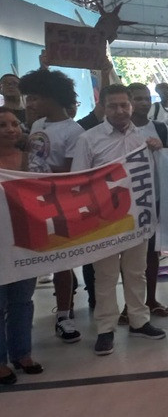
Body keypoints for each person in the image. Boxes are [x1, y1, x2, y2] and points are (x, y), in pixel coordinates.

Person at [71, 85, 167, 355]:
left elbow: (156, 174)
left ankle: (139, 321)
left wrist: (158, 150)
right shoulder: (88, 139)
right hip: (104, 220)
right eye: (113, 106)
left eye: (124, 105)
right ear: (103, 106)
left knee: (136, 272)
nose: (120, 111)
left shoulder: (144, 137)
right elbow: (77, 180)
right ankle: (105, 329)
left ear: (131, 106)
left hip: (138, 216)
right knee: (106, 275)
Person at [17, 67, 84, 344]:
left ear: (52, 97)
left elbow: (70, 173)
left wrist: (39, 175)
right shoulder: (37, 125)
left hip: (58, 204)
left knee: (62, 262)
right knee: (30, 257)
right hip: (30, 201)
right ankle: (21, 311)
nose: (29, 103)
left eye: (34, 97)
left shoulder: (75, 131)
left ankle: (64, 314)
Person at [0, 107, 43, 385]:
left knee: (22, 301)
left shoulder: (32, 161)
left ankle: (22, 353)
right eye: (3, 124)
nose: (11, 129)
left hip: (25, 240)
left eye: (15, 123)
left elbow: (47, 193)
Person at [127, 83, 168, 317]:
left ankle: (151, 299)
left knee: (151, 252)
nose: (144, 103)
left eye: (146, 98)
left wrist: (162, 148)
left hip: (153, 198)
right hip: (125, 202)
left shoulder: (160, 129)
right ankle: (130, 304)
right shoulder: (121, 131)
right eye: (138, 99)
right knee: (128, 255)